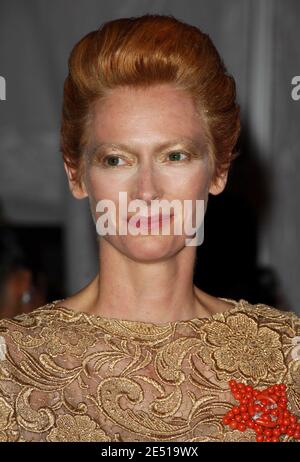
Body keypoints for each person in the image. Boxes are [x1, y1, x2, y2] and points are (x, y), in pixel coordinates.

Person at [0, 14, 299, 443]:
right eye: (116, 159)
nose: (146, 191)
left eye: (175, 156)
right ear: (76, 175)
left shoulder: (287, 358)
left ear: (218, 171)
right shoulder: (10, 363)